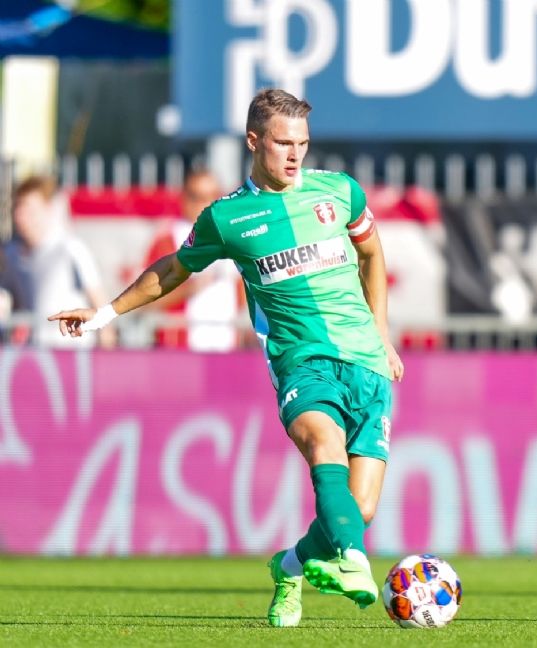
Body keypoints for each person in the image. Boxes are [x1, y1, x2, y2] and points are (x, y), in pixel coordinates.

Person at [48, 88, 404, 628]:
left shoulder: (340, 192)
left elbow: (372, 255)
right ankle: (353, 559)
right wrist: (103, 315)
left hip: (366, 364)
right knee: (323, 444)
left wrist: (382, 334)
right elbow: (172, 270)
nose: (295, 155)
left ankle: (290, 567)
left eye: (303, 143)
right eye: (283, 143)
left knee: (360, 510)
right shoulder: (228, 217)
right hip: (301, 363)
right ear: (254, 141)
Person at [4, 175, 114, 348]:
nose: (20, 216)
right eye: (18, 207)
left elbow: (99, 303)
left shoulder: (70, 248)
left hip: (73, 352)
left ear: (48, 209)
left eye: (29, 209)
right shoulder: (11, 255)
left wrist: (105, 352)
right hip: (35, 355)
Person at [141, 168, 243, 351]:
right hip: (180, 350)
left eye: (213, 197)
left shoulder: (234, 241)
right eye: (198, 197)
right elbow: (145, 300)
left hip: (227, 350)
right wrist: (190, 288)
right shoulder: (167, 241)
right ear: (185, 199)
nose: (206, 204)